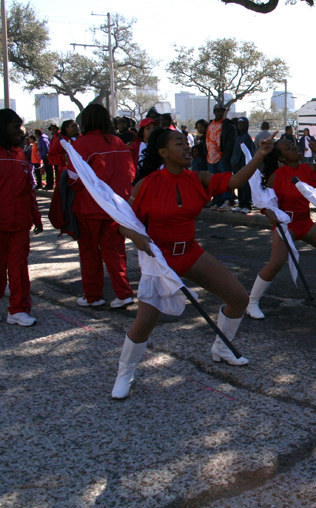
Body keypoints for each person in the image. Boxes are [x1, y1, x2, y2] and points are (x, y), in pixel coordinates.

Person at [109, 128, 271, 399]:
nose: (187, 147)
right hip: (160, 260)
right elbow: (121, 220)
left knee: (239, 298)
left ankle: (221, 349)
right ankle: (125, 374)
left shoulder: (198, 177)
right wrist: (137, 237)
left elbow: (235, 181)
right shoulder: (147, 184)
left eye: (187, 142)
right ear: (163, 152)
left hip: (191, 253)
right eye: (179, 143)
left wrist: (260, 154)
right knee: (146, 320)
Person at [246, 137, 316, 319]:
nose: (294, 147)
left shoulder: (308, 168)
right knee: (277, 262)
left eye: (293, 144)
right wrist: (271, 216)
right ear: (282, 158)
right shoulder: (276, 177)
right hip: (286, 225)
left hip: (306, 223)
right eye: (288, 148)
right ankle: (251, 302)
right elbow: (267, 205)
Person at [67, 104, 136, 309]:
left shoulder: (82, 144)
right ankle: (123, 293)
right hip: (115, 207)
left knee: (89, 252)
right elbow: (131, 173)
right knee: (115, 251)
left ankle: (93, 295)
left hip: (89, 207)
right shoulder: (118, 142)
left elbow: (74, 178)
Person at [0, 109, 43, 326]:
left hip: (19, 223)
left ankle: (18, 309)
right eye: (15, 126)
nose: (21, 130)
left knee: (19, 268)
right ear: (0, 126)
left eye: (21, 125)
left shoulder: (19, 153)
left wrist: (35, 216)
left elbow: (29, 188)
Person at [206, 104, 236, 211]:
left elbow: (231, 141)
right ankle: (218, 201)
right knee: (214, 181)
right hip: (210, 157)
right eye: (217, 111)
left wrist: (226, 155)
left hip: (222, 157)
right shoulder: (210, 124)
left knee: (225, 179)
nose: (219, 113)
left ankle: (228, 201)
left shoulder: (228, 125)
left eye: (221, 111)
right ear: (214, 112)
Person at [231, 117, 255, 212]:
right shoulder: (238, 137)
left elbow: (250, 153)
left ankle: (247, 205)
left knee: (245, 186)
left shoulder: (247, 138)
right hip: (237, 165)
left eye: (242, 124)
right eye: (239, 124)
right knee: (239, 185)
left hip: (244, 164)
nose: (240, 126)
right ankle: (241, 204)